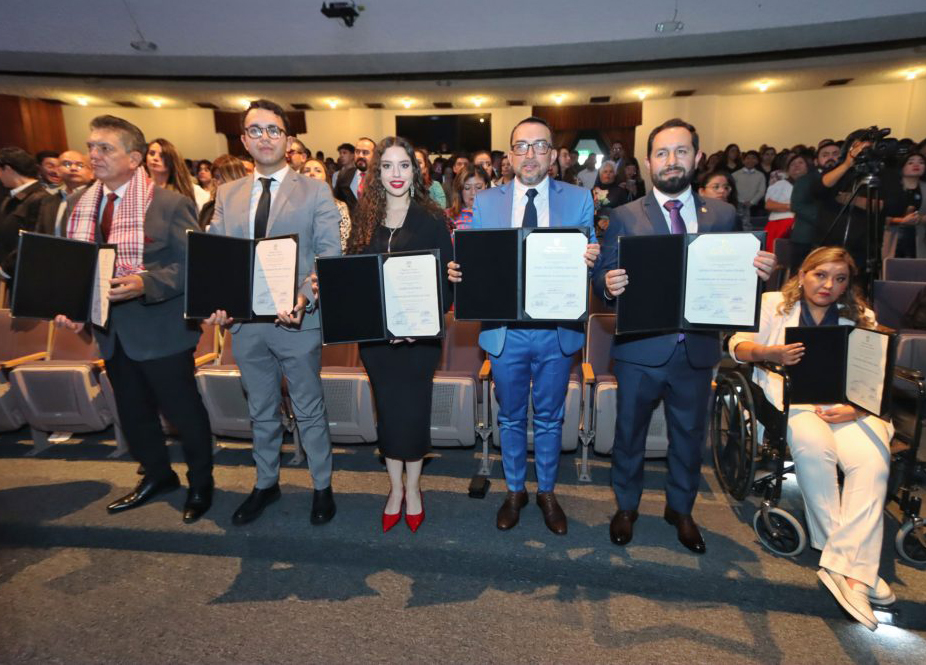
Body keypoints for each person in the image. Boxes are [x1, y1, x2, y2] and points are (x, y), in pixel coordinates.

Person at [593, 118, 775, 554]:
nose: (670, 161)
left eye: (680, 151)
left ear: (696, 156)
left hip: (696, 349)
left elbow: (739, 278)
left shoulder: (725, 215)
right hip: (640, 350)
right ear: (650, 161)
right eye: (661, 153)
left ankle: (681, 509)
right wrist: (607, 284)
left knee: (690, 437)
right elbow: (602, 274)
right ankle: (627, 506)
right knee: (629, 434)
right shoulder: (623, 215)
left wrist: (760, 276)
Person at [55, 115, 214, 522]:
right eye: (91, 147)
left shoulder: (169, 204)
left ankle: (201, 482)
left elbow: (191, 268)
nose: (94, 155)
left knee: (183, 413)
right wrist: (73, 308)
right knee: (133, 413)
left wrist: (145, 283)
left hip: (160, 331)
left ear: (134, 158)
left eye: (105, 148)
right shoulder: (79, 206)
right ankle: (158, 475)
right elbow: (74, 268)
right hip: (110, 331)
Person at [728, 246, 894, 630]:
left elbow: (874, 373)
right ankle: (857, 571)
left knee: (873, 462)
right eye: (821, 275)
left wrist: (855, 408)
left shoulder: (861, 316)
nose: (829, 285)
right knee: (814, 447)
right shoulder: (773, 304)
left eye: (839, 279)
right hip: (793, 401)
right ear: (803, 274)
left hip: (848, 406)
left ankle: (844, 568)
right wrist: (772, 352)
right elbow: (736, 346)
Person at [447, 116, 599, 535]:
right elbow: (478, 261)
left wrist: (592, 259)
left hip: (555, 329)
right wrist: (462, 272)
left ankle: (547, 491)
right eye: (521, 146)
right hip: (504, 330)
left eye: (539, 146)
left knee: (550, 417)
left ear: (552, 154)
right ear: (509, 155)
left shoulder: (578, 199)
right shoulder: (488, 202)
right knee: (511, 417)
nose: (530, 154)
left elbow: (586, 263)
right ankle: (515, 490)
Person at [207, 99, 342, 527]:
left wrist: (306, 296)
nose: (265, 137)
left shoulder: (316, 190)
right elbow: (219, 256)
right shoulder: (227, 194)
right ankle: (267, 482)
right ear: (244, 140)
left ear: (287, 139)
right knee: (260, 408)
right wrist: (217, 300)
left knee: (309, 407)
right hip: (246, 323)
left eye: (273, 130)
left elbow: (327, 254)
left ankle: (322, 485)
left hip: (297, 319)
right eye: (256, 130)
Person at [339, 136, 453, 533]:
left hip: (419, 340)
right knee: (386, 411)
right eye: (387, 166)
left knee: (415, 411)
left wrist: (417, 325)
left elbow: (447, 285)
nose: (396, 174)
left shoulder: (433, 218)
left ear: (415, 171)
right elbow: (355, 280)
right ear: (377, 173)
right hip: (376, 341)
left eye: (403, 165)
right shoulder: (363, 218)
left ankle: (415, 489)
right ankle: (393, 489)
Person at [0, 147, 53, 284]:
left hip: (27, 277)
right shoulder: (10, 197)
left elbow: (33, 240)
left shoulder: (41, 198)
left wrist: (5, 269)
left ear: (8, 169)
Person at [36, 149, 93, 236]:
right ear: (58, 171)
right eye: (67, 164)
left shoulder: (100, 197)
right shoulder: (48, 202)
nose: (73, 168)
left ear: (91, 172)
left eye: (80, 165)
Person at [145, 138, 209, 212]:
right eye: (152, 153)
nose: (155, 158)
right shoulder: (142, 188)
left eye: (162, 155)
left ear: (172, 160)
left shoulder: (189, 189)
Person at [882, 152, 926, 259]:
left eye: (921, 162)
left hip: (920, 241)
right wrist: (900, 221)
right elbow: (878, 216)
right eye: (910, 162)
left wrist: (920, 219)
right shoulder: (890, 187)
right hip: (891, 239)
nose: (916, 165)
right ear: (901, 166)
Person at [302, 157, 351, 251]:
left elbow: (343, 243)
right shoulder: (292, 207)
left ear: (326, 178)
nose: (312, 174)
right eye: (306, 171)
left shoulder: (339, 207)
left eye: (318, 171)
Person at [763, 154, 809, 252]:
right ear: (787, 170)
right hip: (780, 225)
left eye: (800, 163)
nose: (796, 165)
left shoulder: (815, 184)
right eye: (792, 164)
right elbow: (769, 205)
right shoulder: (780, 184)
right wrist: (792, 206)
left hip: (806, 226)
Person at [196, 154, 247, 230]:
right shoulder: (208, 208)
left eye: (224, 176)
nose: (219, 182)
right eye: (216, 177)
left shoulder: (250, 205)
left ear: (236, 176)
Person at [334, 137, 375, 215]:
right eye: (357, 152)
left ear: (375, 155)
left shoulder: (381, 177)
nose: (360, 156)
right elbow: (337, 204)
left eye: (365, 152)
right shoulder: (343, 176)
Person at [447, 164, 490, 232]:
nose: (473, 192)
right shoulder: (448, 216)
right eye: (467, 188)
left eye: (478, 187)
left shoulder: (496, 214)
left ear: (486, 187)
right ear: (460, 189)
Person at [732, 150, 767, 228]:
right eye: (748, 158)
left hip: (754, 207)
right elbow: (732, 189)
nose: (750, 160)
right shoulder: (735, 174)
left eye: (753, 158)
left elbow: (761, 191)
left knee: (752, 227)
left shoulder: (760, 175)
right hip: (738, 205)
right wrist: (740, 201)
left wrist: (752, 202)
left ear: (757, 161)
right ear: (743, 161)